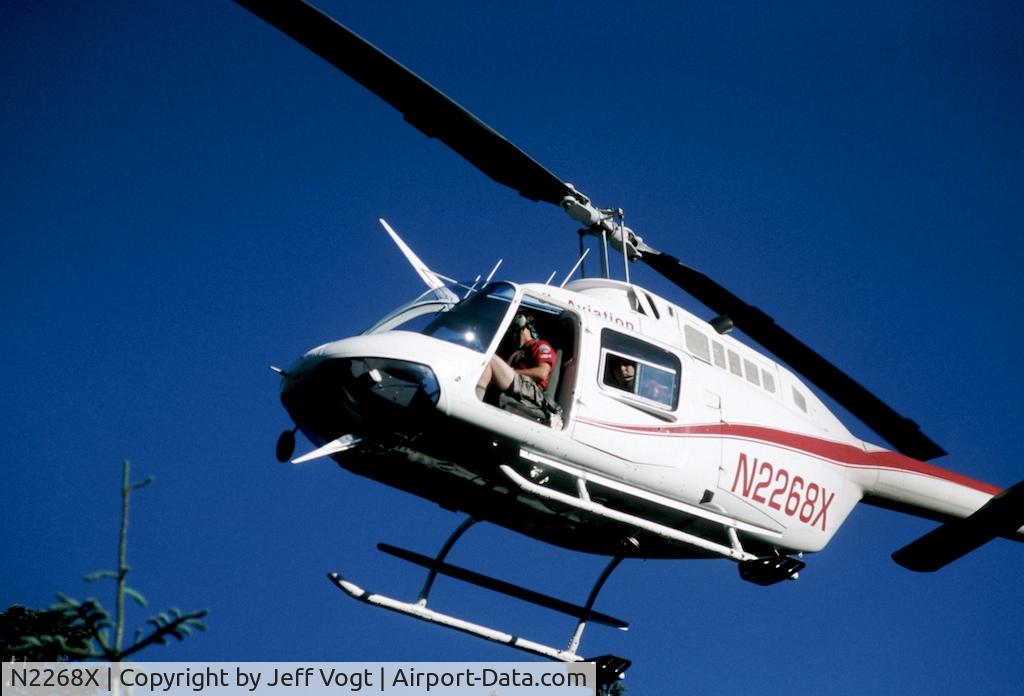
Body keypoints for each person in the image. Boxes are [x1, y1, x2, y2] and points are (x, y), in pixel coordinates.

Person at [476, 313, 557, 412]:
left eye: (516, 331)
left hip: (532, 391)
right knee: (486, 363)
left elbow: (542, 373)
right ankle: (476, 400)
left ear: (525, 329)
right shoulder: (517, 352)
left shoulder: (540, 345)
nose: (514, 335)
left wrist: (513, 371)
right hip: (519, 384)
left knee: (491, 359)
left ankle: (473, 403)